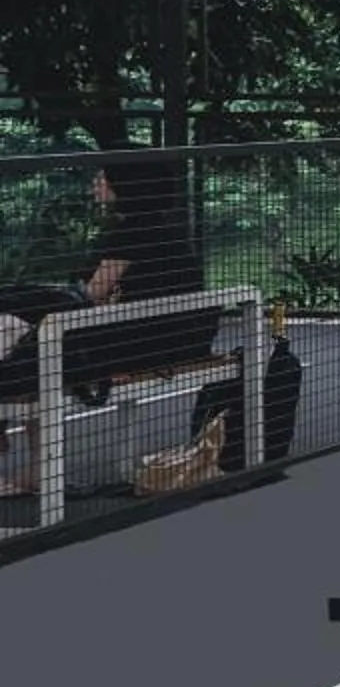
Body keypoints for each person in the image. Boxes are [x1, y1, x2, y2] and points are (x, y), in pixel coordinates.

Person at [0, 165, 218, 497]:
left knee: (21, 338)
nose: (94, 185)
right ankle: (37, 466)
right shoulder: (162, 229)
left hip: (142, 345)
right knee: (24, 337)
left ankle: (36, 463)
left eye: (102, 178)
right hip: (166, 338)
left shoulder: (131, 233)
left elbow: (91, 294)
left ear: (124, 185)